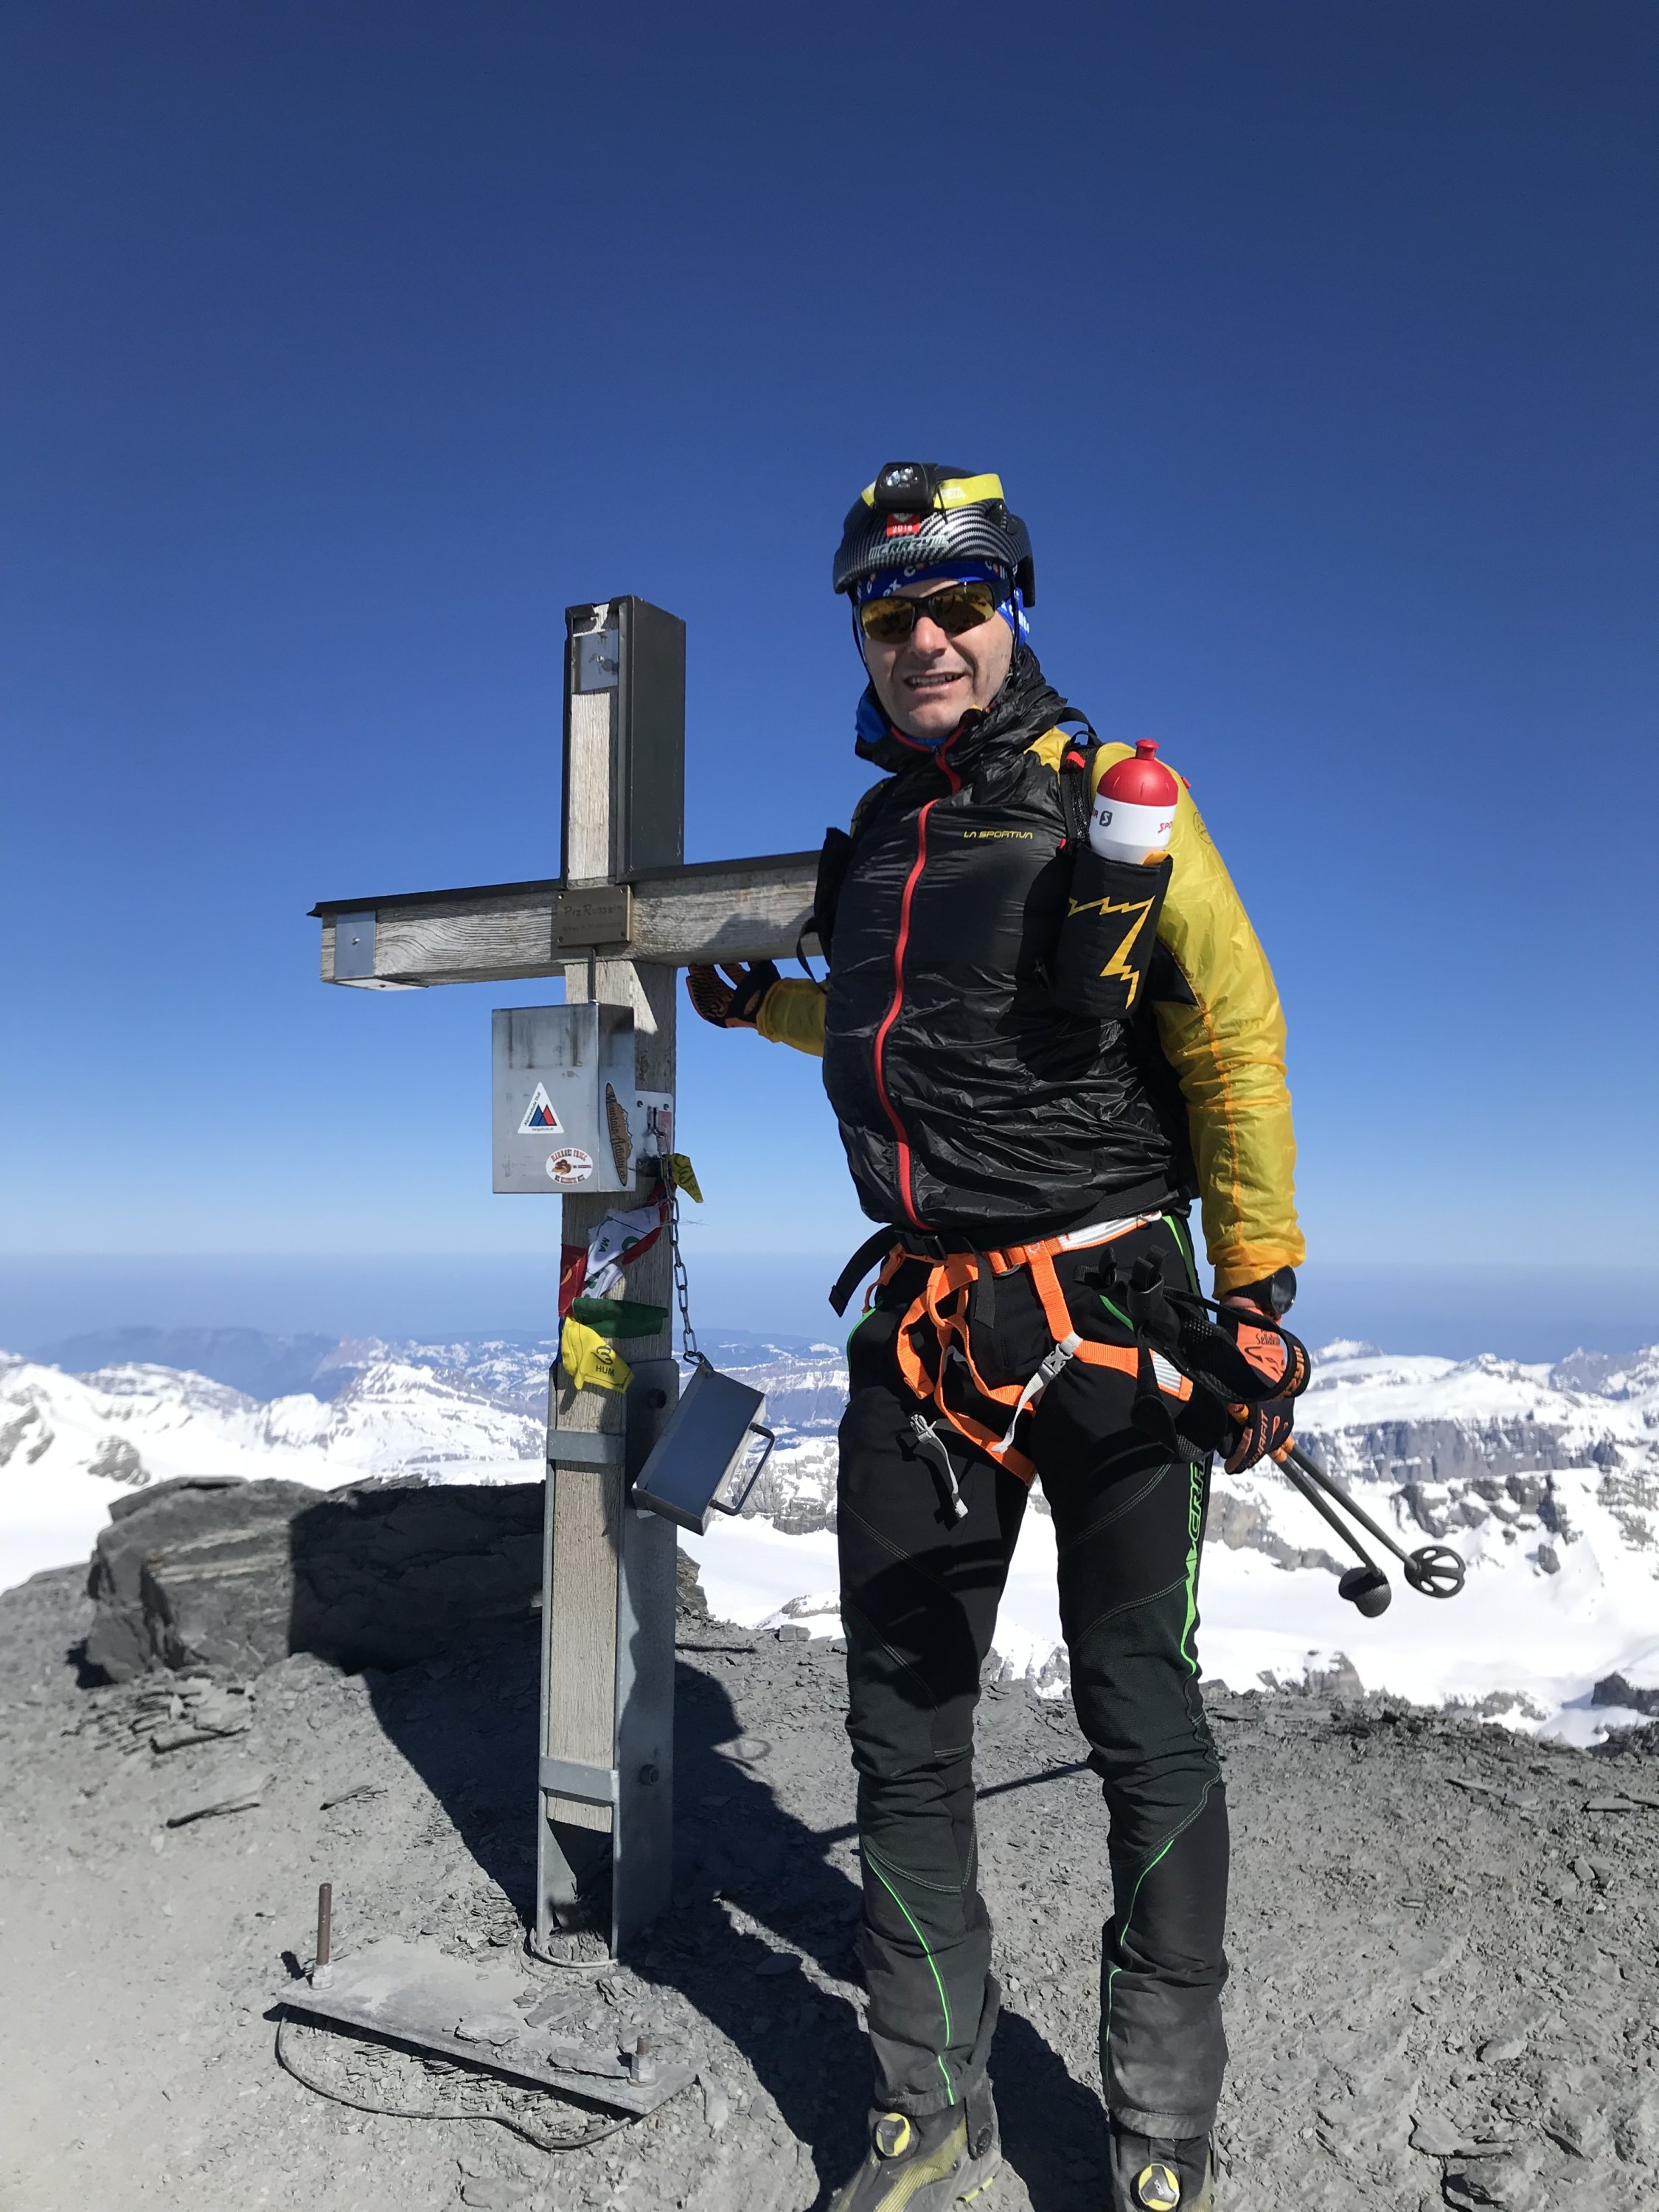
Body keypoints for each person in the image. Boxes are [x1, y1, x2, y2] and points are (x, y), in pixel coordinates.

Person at [686, 464, 1304, 2212]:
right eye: (892, 614)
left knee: (1139, 1712)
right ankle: (927, 2105)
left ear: (1014, 613)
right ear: (862, 638)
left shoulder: (1107, 802)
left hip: (1113, 1319)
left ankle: (1159, 2130)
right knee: (903, 1725)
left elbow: (1230, 1034)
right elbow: (917, 1026)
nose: (927, 640)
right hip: (928, 1334)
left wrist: (1258, 1292)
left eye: (959, 606)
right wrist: (773, 1009)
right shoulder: (879, 837)